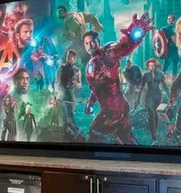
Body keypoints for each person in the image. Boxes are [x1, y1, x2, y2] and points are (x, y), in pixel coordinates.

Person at [83, 12, 153, 144]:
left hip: (115, 110)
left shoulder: (107, 53)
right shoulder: (92, 63)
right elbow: (97, 87)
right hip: (115, 108)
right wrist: (91, 102)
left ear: (98, 42)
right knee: (127, 141)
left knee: (95, 134)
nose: (90, 45)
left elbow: (122, 48)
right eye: (86, 43)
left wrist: (132, 37)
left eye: (92, 42)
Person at [140, 58, 170, 141]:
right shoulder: (145, 75)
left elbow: (165, 86)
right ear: (148, 66)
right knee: (151, 114)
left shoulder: (160, 74)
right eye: (150, 66)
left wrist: (170, 96)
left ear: (156, 66)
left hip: (158, 96)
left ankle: (155, 131)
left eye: (153, 65)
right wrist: (138, 99)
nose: (152, 67)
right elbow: (142, 87)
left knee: (156, 115)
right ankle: (152, 134)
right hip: (149, 96)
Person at [56, 49, 82, 130]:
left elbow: (79, 85)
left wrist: (75, 82)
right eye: (67, 56)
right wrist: (56, 92)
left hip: (70, 93)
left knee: (70, 113)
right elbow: (57, 80)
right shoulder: (61, 67)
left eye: (70, 56)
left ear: (74, 58)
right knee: (60, 111)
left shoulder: (77, 70)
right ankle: (62, 127)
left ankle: (73, 128)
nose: (68, 57)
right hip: (61, 91)